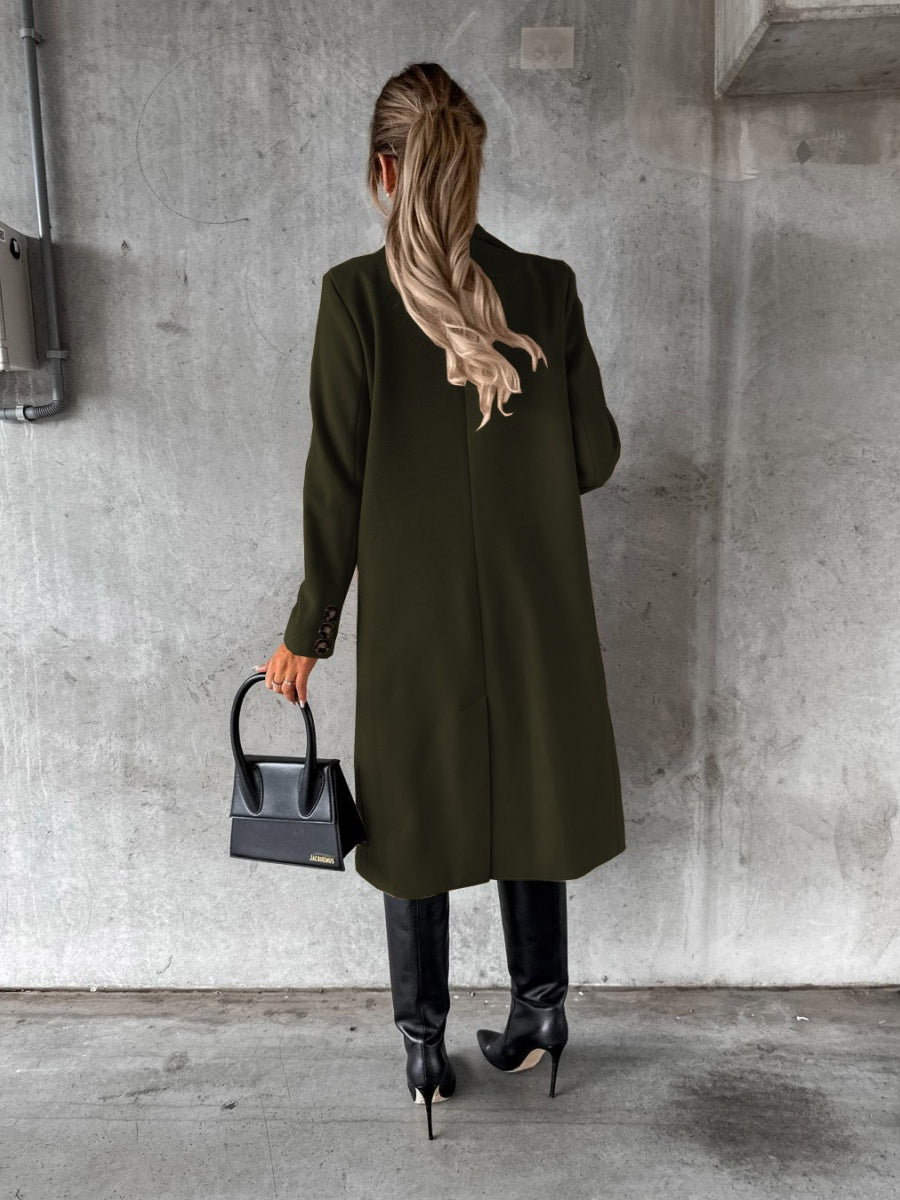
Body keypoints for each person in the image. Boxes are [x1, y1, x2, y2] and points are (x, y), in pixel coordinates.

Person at [255, 62, 624, 1140]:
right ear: (474, 166)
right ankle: (541, 1012)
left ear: (384, 171)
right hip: (534, 609)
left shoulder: (355, 297)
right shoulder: (546, 286)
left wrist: (310, 629)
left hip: (415, 620)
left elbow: (336, 479)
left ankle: (423, 1046)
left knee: (412, 810)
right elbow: (595, 458)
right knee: (529, 795)